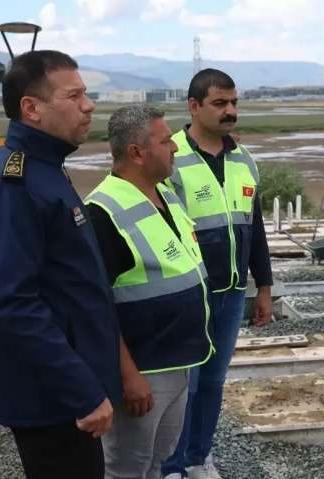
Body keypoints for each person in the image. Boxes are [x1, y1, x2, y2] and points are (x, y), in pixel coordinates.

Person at [0, 50, 121, 479]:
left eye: (86, 94)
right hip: (54, 399)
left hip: (70, 391)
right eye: (74, 96)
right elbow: (14, 305)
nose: (89, 105)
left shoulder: (46, 168)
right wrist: (82, 391)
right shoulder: (10, 186)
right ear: (31, 108)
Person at [85, 104, 214, 479]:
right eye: (165, 140)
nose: (175, 146)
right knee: (128, 467)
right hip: (144, 371)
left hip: (178, 362)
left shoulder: (165, 195)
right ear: (136, 153)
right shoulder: (102, 213)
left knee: (157, 462)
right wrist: (128, 376)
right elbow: (95, 309)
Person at [161, 68, 273, 479]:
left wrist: (264, 285)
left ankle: (197, 457)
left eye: (234, 103)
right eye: (220, 103)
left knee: (212, 381)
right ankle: (171, 466)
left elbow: (253, 226)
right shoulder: (168, 154)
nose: (230, 111)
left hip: (229, 295)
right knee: (182, 388)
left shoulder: (243, 158)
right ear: (193, 106)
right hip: (187, 296)